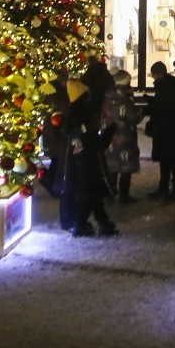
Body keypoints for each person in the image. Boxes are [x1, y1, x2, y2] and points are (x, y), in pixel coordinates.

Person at [54, 80, 118, 237]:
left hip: (80, 160)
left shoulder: (73, 113)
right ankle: (83, 225)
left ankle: (102, 223)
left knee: (92, 194)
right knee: (90, 195)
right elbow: (93, 140)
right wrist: (109, 132)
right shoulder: (84, 113)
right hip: (87, 161)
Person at [145, 61, 175, 200]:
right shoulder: (170, 85)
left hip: (167, 129)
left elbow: (163, 107)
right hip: (168, 128)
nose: (153, 78)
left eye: (154, 74)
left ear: (159, 73)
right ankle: (166, 187)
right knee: (167, 160)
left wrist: (149, 105)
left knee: (170, 160)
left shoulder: (165, 87)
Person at [102, 70, 142, 203]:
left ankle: (110, 191)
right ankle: (124, 195)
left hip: (110, 138)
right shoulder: (124, 101)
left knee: (112, 165)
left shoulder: (107, 98)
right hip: (125, 138)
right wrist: (140, 114)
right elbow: (132, 118)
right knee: (125, 167)